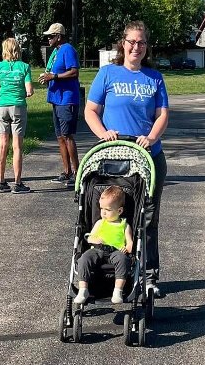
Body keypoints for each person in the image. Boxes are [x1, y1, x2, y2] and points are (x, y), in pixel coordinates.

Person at [84, 20, 169, 297]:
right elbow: (91, 111)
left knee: (147, 218)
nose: (136, 47)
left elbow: (162, 115)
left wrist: (152, 138)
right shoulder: (108, 74)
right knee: (110, 213)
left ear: (147, 46)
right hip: (114, 158)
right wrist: (102, 134)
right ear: (123, 43)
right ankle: (103, 271)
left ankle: (149, 276)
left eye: (141, 42)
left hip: (148, 158)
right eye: (131, 41)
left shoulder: (154, 77)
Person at [0, 38, 34, 194]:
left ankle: (1, 182)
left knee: (2, 144)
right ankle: (17, 183)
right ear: (18, 50)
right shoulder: (24, 67)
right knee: (17, 146)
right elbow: (29, 90)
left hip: (2, 107)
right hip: (17, 107)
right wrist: (25, 92)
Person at [74, 185, 133, 304]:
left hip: (116, 251)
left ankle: (118, 290)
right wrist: (94, 240)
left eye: (108, 210)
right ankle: (83, 289)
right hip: (97, 250)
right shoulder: (100, 223)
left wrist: (127, 248)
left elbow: (130, 242)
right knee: (84, 258)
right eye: (101, 209)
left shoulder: (125, 225)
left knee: (123, 260)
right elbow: (90, 237)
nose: (103, 212)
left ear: (119, 211)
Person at [38, 23, 80, 187]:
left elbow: (74, 71)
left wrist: (54, 76)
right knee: (60, 137)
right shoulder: (56, 52)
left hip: (66, 99)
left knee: (68, 136)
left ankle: (77, 173)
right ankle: (66, 172)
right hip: (56, 99)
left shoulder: (68, 49)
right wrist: (47, 77)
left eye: (51, 36)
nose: (48, 39)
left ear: (59, 36)